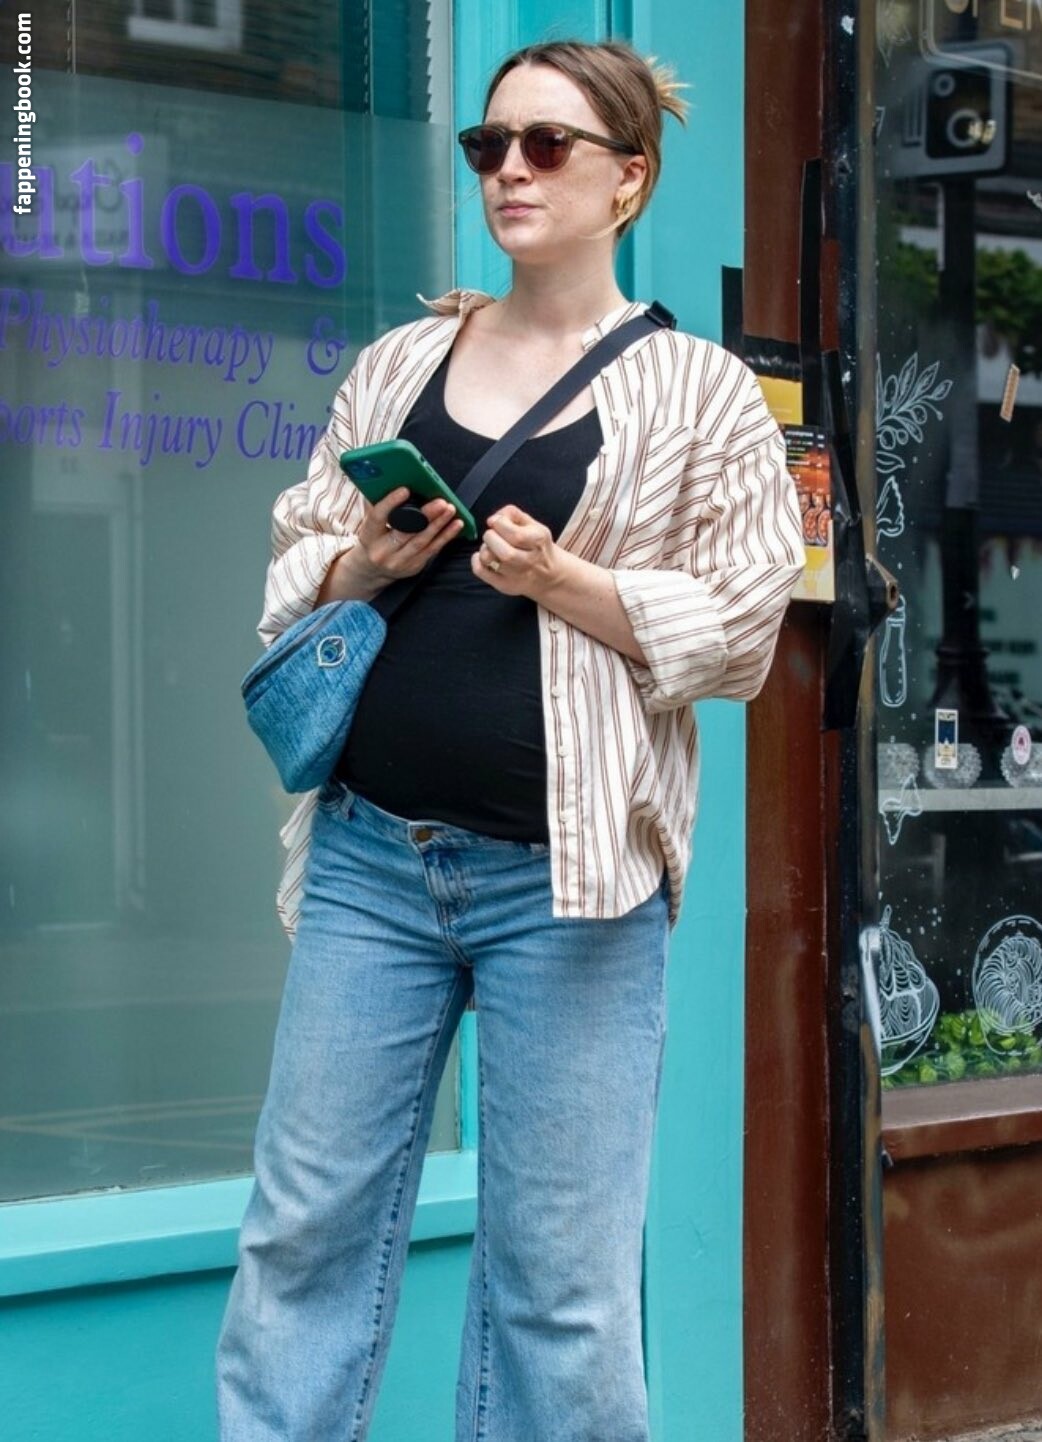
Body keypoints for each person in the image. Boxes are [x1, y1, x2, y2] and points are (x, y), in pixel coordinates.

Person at [216, 37, 804, 1442]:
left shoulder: (701, 393)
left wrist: (565, 583)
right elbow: (295, 557)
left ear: (628, 179)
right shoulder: (400, 363)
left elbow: (742, 632)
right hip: (370, 861)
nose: (510, 172)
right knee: (301, 1235)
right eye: (489, 147)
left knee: (564, 1286)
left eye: (547, 146)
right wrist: (360, 561)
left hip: (573, 886)